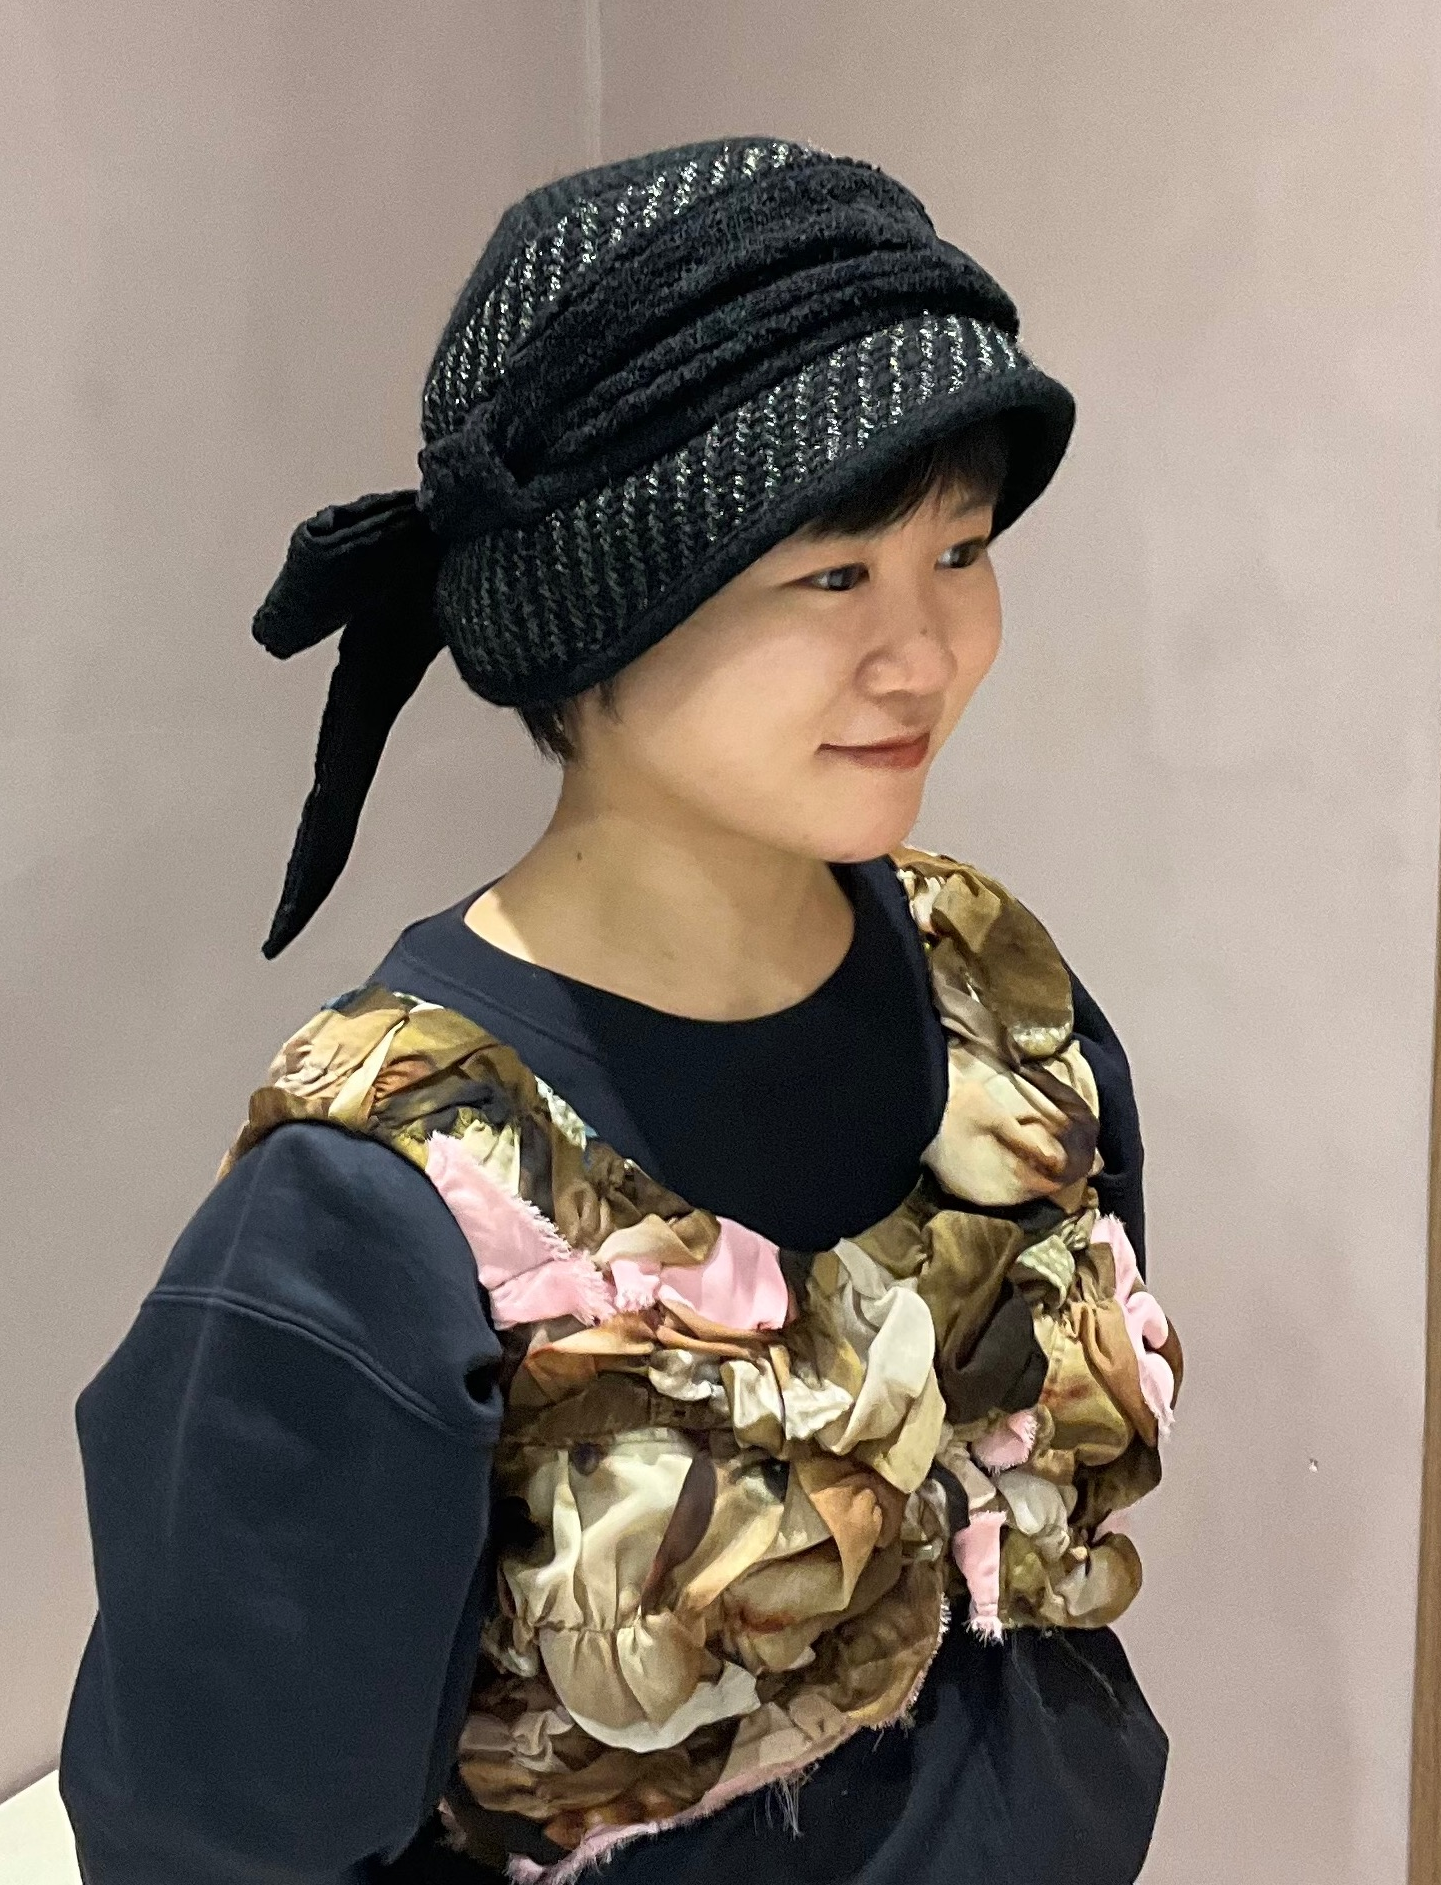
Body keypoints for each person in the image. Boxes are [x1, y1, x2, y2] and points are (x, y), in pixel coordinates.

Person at [59, 136, 1180, 1885]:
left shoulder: (989, 986)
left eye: (960, 551)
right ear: (601, 605)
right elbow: (221, 1843)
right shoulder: (381, 1213)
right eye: (834, 575)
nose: (928, 652)